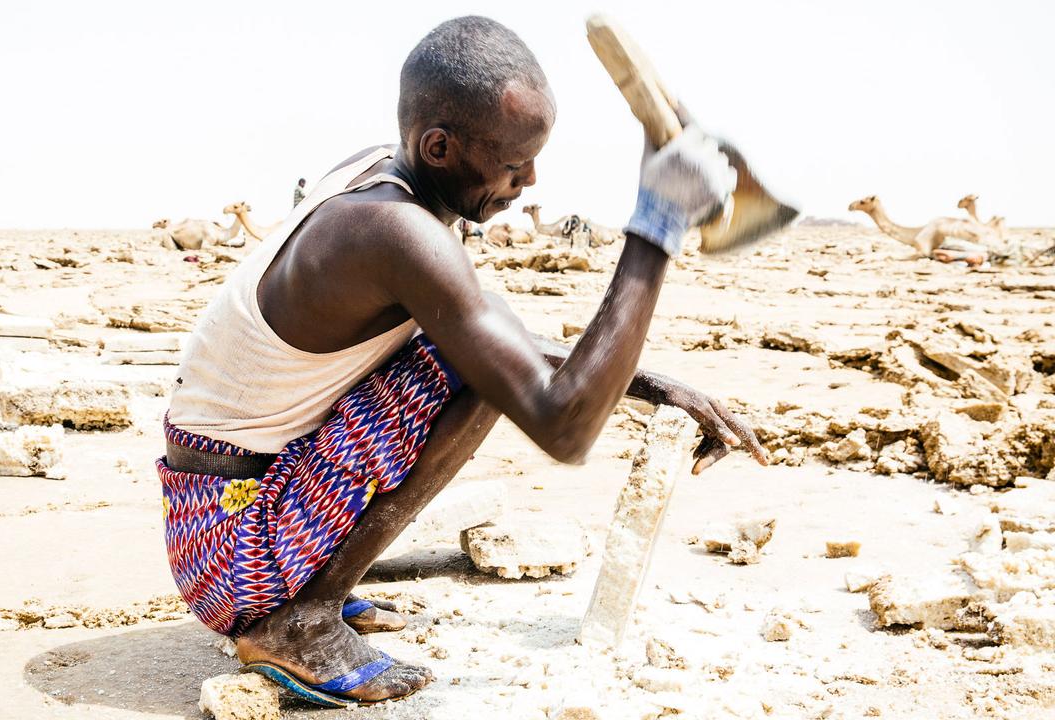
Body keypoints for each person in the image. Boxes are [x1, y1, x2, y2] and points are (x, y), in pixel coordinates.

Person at [159, 16, 767, 707]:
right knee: (477, 376)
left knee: (480, 350)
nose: (530, 180)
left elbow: (491, 343)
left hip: (216, 518)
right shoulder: (395, 232)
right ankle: (301, 618)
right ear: (439, 147)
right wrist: (656, 227)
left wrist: (657, 387)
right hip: (233, 554)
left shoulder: (381, 178)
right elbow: (562, 427)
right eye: (514, 164)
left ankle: (310, 586)